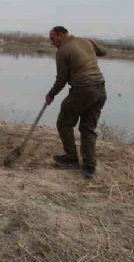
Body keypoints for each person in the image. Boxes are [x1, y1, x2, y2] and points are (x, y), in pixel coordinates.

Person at [45, 26, 107, 178]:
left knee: (64, 122)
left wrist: (51, 94)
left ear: (60, 35)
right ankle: (89, 168)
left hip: (83, 89)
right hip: (100, 89)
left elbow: (61, 79)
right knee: (88, 129)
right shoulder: (86, 41)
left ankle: (71, 158)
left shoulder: (62, 51)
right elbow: (103, 52)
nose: (52, 43)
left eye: (53, 39)